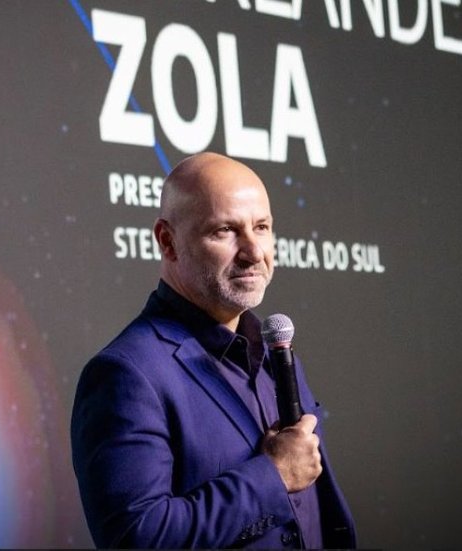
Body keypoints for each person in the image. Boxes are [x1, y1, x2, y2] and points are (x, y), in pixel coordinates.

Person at [71, 152, 355, 549]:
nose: (253, 251)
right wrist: (273, 476)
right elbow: (137, 537)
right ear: (167, 241)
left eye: (261, 227)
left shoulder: (276, 352)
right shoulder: (125, 374)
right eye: (225, 230)